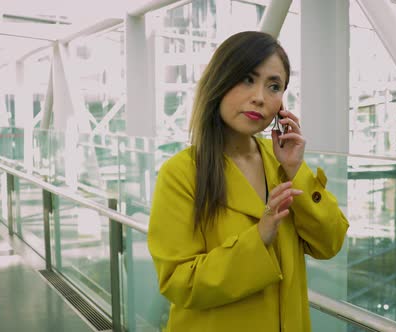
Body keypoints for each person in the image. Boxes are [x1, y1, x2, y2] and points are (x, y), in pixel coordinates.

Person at [148, 31, 349, 332]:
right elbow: (180, 282)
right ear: (220, 81)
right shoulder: (181, 173)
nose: (259, 96)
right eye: (247, 79)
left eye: (274, 86)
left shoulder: (282, 162)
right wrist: (259, 238)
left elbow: (329, 244)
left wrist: (297, 172)